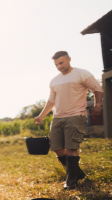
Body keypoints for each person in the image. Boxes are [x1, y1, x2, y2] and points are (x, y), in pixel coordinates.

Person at [34, 51, 103, 190]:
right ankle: (77, 173)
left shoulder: (82, 74)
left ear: (69, 59)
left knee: (71, 148)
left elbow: (97, 88)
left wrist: (98, 105)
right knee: (56, 147)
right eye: (56, 64)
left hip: (76, 115)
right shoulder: (54, 81)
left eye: (61, 63)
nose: (59, 66)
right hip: (58, 117)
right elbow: (51, 100)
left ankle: (70, 182)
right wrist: (41, 116)